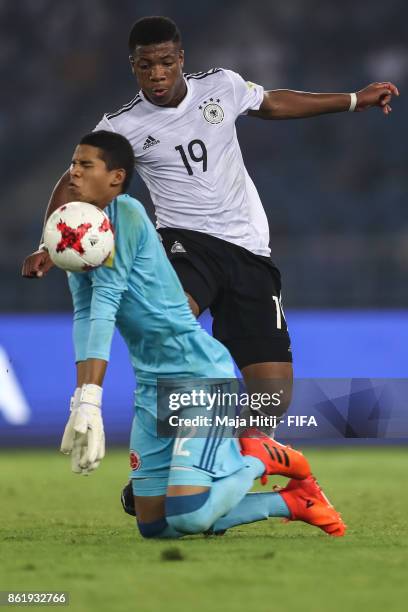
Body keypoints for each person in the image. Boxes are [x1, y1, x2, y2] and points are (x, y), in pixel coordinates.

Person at [21, 16, 399, 423]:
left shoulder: (222, 85)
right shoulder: (121, 126)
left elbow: (272, 102)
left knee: (273, 397)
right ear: (133, 66)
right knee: (171, 323)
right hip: (184, 244)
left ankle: (231, 461)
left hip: (248, 250)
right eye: (145, 65)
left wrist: (354, 99)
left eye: (166, 61)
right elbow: (75, 176)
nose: (157, 74)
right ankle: (154, 456)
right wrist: (48, 243)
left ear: (181, 58)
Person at [60, 129, 345, 538]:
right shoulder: (76, 232)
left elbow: (105, 302)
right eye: (72, 164)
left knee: (190, 515)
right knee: (155, 525)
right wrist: (80, 402)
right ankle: (292, 501)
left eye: (85, 165)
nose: (73, 173)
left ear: (116, 177)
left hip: (199, 377)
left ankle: (263, 456)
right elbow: (85, 314)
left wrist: (90, 399)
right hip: (151, 384)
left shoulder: (129, 217)